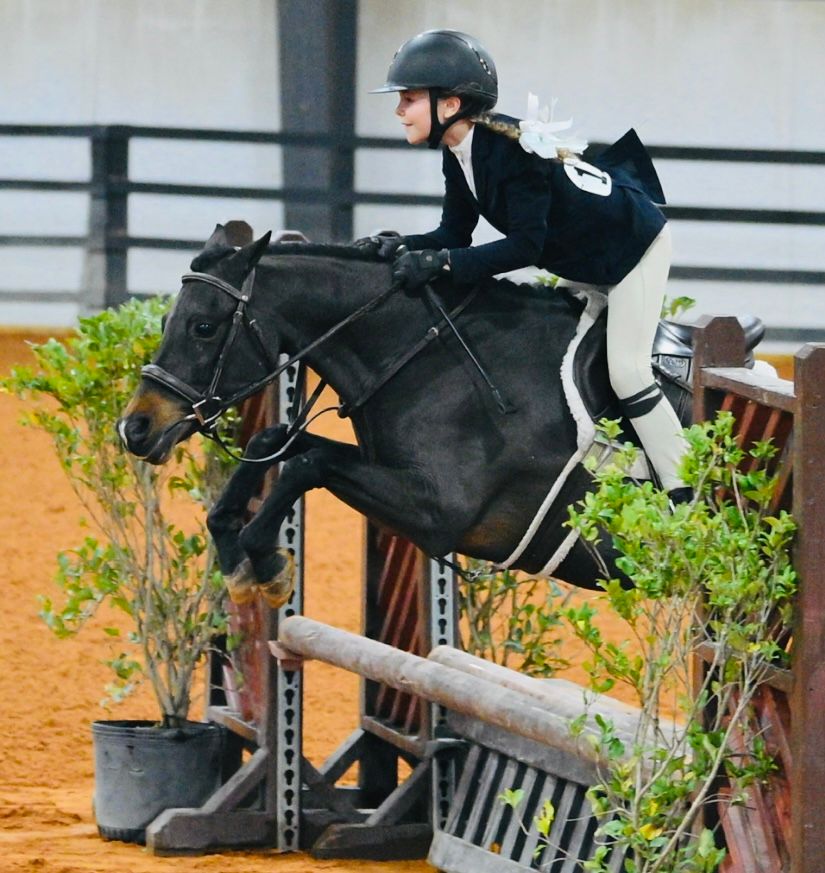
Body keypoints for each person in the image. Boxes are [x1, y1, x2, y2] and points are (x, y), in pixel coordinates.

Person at [356, 29, 689, 502]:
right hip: (586, 258)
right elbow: (454, 235)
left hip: (633, 250)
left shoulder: (509, 152)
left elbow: (524, 248)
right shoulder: (460, 151)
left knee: (627, 373)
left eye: (408, 99)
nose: (399, 111)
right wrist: (400, 246)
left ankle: (684, 491)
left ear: (449, 105)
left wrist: (442, 264)